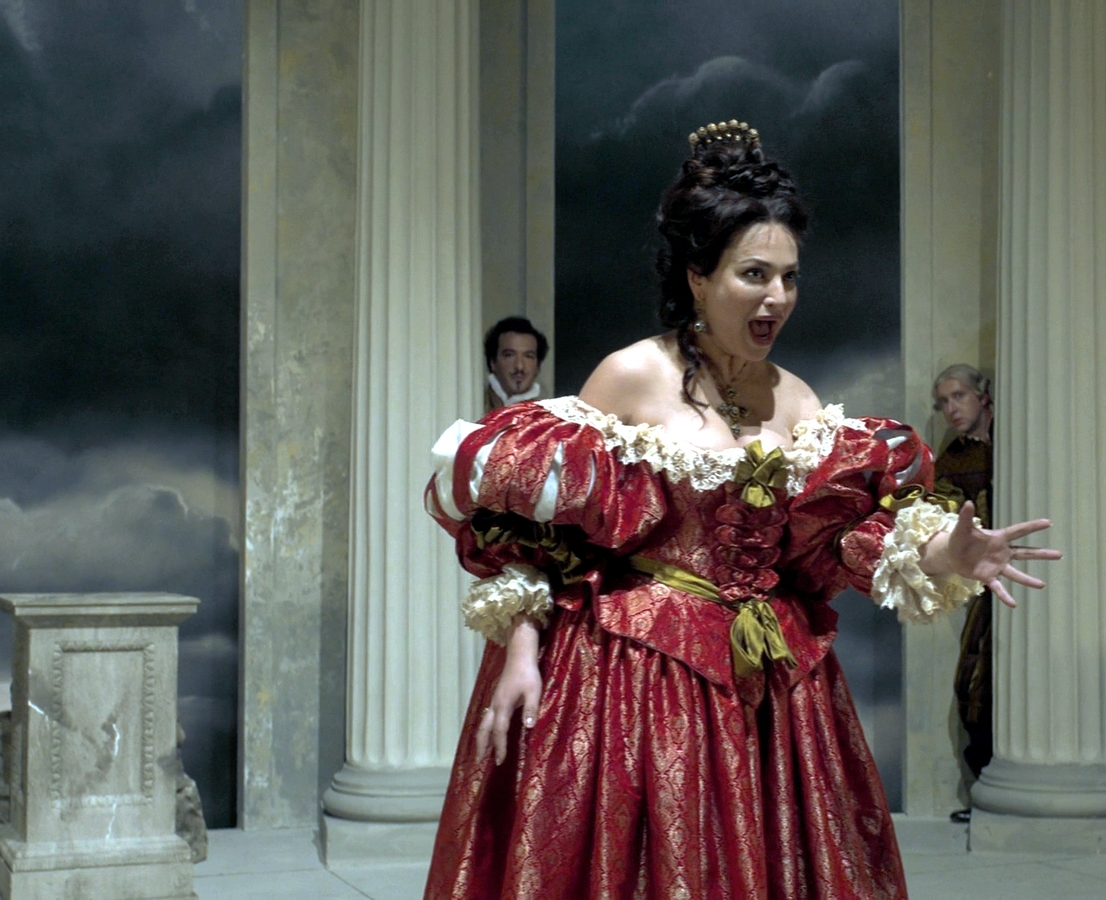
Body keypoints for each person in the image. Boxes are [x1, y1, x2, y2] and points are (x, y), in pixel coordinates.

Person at [422, 120, 1061, 899]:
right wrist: (523, 653)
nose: (777, 298)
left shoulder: (798, 401)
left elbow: (838, 543)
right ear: (698, 275)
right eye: (754, 274)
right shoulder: (631, 376)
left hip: (776, 692)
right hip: (638, 682)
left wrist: (946, 555)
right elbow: (541, 533)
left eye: (789, 277)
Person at [930, 364, 996, 818]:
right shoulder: (952, 457)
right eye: (943, 402)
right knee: (972, 684)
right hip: (990, 581)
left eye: (959, 396)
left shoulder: (1020, 438)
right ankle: (989, 790)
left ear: (983, 397)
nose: (951, 409)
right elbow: (941, 514)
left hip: (1055, 575)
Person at [483, 315, 549, 412]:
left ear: (538, 365)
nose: (519, 366)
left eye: (528, 356)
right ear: (493, 362)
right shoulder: (472, 405)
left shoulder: (549, 416)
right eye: (509, 355)